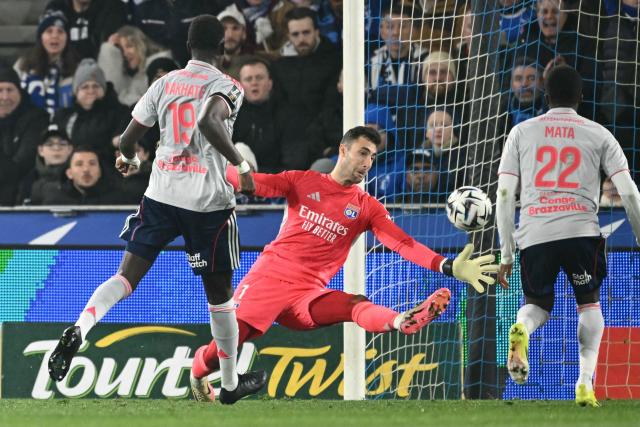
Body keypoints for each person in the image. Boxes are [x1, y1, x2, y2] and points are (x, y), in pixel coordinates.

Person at [189, 126, 500, 401]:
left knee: (354, 304)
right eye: (362, 152)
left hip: (308, 294)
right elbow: (253, 183)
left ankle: (401, 321)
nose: (367, 163)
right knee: (226, 347)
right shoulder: (302, 181)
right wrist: (217, 167)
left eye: (373, 157)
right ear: (343, 150)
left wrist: (448, 266)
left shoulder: (367, 207)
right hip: (270, 279)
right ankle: (197, 372)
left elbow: (403, 243)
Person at [47, 14, 266, 405]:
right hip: (207, 204)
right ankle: (230, 384)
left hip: (161, 195)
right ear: (222, 47)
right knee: (220, 298)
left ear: (187, 45)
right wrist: (243, 166)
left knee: (126, 277)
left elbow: (129, 138)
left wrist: (129, 160)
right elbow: (210, 122)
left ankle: (82, 325)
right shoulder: (226, 85)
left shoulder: (164, 83)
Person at [495, 65, 640, 407]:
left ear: (545, 96)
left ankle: (522, 332)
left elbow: (504, 195)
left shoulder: (521, 132)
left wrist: (506, 252)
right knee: (588, 304)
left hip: (535, 232)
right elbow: (630, 193)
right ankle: (585, 382)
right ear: (582, 97)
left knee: (535, 305)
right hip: (580, 232)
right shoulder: (599, 134)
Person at [0, 64, 49, 206]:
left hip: (24, 191)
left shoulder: (36, 118)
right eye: (0, 90)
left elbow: (23, 164)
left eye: (10, 90)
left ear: (20, 92)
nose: (5, 97)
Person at [14, 10, 79, 116]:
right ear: (41, 37)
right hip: (28, 124)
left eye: (60, 32)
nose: (55, 36)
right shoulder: (23, 64)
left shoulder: (77, 68)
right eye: (49, 31)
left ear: (67, 38)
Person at [30, 145, 124, 205]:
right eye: (79, 164)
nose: (86, 169)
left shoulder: (116, 200)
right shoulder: (55, 199)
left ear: (100, 172)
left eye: (92, 163)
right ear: (69, 173)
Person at [17, 124, 73, 205]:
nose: (56, 148)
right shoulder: (29, 180)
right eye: (50, 144)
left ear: (70, 149)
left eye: (62, 144)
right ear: (40, 150)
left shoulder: (77, 176)